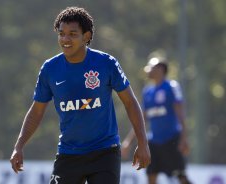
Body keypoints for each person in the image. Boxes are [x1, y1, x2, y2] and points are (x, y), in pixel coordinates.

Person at [10, 6, 151, 184]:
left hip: (105, 152)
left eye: (72, 34)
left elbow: (130, 103)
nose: (65, 39)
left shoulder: (106, 64)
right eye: (61, 33)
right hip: (69, 154)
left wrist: (143, 143)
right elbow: (36, 111)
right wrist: (19, 146)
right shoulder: (50, 69)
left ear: (87, 36)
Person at [121, 56, 192, 184]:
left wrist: (184, 138)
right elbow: (141, 119)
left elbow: (181, 114)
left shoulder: (172, 87)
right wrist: (128, 141)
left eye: (150, 67)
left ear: (160, 69)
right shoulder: (148, 91)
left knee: (181, 177)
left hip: (171, 141)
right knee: (151, 176)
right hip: (154, 143)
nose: (147, 70)